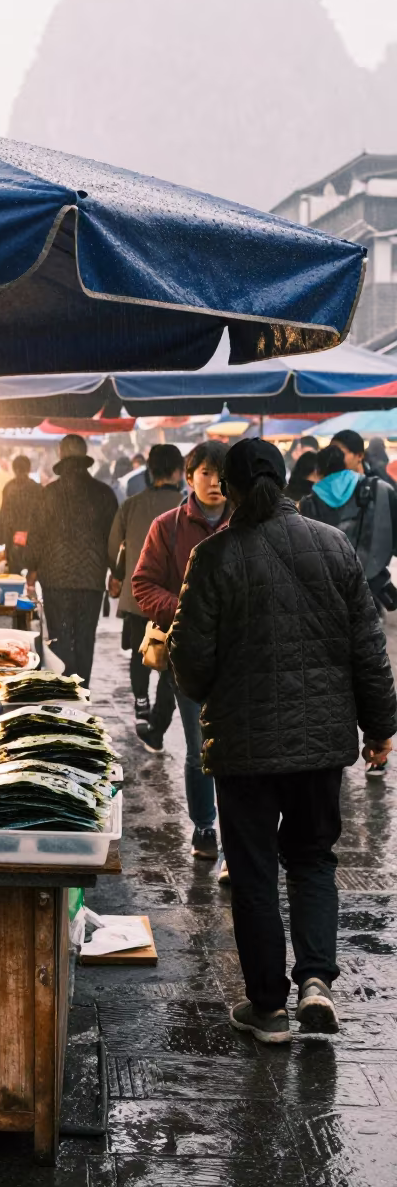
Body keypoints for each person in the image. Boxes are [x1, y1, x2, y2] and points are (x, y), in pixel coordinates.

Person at [168, 438, 397, 1043]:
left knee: (253, 870)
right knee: (314, 859)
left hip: (244, 750)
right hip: (321, 746)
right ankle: (317, 983)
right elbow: (368, 651)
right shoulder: (334, 545)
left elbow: (190, 667)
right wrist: (381, 728)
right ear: (289, 481)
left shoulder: (214, 555)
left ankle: (267, 1007)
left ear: (234, 489)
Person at [132, 440, 230, 865]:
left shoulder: (244, 524)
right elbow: (142, 584)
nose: (215, 483)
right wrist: (186, 608)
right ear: (189, 477)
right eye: (205, 473)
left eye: (222, 474)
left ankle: (241, 834)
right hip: (187, 656)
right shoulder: (167, 525)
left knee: (238, 747)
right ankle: (205, 825)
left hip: (239, 657)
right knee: (199, 746)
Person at [26, 434, 117, 686]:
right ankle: (82, 690)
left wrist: (31, 570)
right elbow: (113, 538)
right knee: (86, 638)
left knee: (60, 637)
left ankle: (65, 691)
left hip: (56, 578)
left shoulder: (49, 493)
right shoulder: (104, 493)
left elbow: (37, 535)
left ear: (61, 456)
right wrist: (116, 574)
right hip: (91, 579)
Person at [108, 444, 184, 730]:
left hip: (138, 597)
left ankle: (141, 702)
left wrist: (118, 575)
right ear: (179, 471)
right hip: (175, 598)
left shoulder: (131, 504)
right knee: (171, 661)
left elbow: (115, 547)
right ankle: (159, 717)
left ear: (150, 471)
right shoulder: (186, 506)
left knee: (141, 653)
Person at [300, 443, 397, 621]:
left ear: (319, 470)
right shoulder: (370, 487)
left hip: (330, 582)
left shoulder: (309, 501)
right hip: (367, 573)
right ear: (343, 464)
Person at [0, 455, 43, 574]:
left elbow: (3, 513)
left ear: (14, 469)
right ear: (29, 469)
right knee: (31, 573)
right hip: (32, 538)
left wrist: (0, 536)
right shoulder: (37, 489)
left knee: (14, 575)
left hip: (12, 539)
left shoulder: (9, 488)